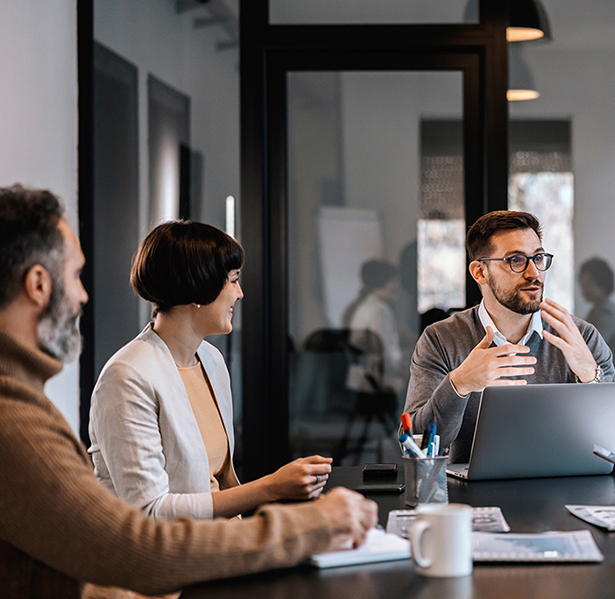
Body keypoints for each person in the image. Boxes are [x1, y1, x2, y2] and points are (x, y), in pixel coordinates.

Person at [0, 184, 377, 598]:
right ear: (37, 284)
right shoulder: (24, 416)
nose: (83, 294)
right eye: (74, 275)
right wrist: (304, 521)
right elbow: (138, 542)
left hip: (209, 564)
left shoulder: (210, 360)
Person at [87, 221, 334, 521]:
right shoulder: (126, 377)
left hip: (221, 542)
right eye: (232, 281)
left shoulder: (211, 359)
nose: (240, 293)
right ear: (199, 289)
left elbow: (219, 482)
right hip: (170, 559)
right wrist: (270, 487)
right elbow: (150, 512)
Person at [403, 210, 615, 463]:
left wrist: (590, 376)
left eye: (538, 258)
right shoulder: (440, 339)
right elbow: (415, 446)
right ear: (480, 272)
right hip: (474, 496)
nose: (533, 273)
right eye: (516, 260)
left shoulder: (582, 338)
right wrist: (459, 384)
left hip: (565, 493)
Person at [342, 259, 404, 395]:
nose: (397, 286)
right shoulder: (380, 311)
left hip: (359, 381)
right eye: (394, 281)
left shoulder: (363, 306)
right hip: (376, 382)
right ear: (383, 282)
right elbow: (386, 355)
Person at [578, 257, 615, 362]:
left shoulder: (607, 312)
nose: (584, 290)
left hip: (614, 372)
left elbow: (592, 346)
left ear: (602, 284)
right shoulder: (596, 310)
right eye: (582, 285)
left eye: (588, 285)